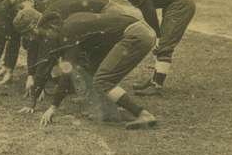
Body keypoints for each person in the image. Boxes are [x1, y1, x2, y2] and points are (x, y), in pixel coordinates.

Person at [13, 8, 158, 130]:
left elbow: (67, 71)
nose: (43, 39)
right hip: (139, 31)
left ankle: (142, 114)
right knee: (93, 72)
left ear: (49, 27)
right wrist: (32, 102)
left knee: (102, 81)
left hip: (136, 34)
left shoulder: (68, 31)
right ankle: (112, 110)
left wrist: (53, 107)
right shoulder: (67, 26)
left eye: (39, 34)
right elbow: (48, 63)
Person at [103, 0, 195, 95]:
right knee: (162, 44)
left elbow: (149, 11)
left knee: (164, 44)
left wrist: (157, 35)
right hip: (173, 3)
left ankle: (157, 85)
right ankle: (155, 80)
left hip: (180, 3)